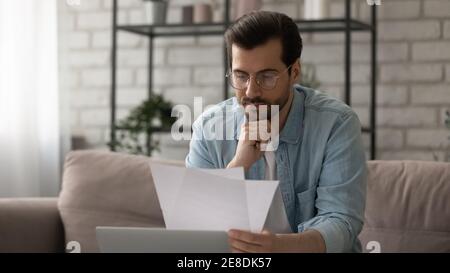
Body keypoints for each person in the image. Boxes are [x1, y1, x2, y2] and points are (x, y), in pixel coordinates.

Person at [185, 10, 367, 253]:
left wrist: (280, 247)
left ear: (294, 72)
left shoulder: (336, 124)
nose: (251, 91)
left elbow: (342, 222)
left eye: (267, 76)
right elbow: (195, 224)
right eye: (241, 76)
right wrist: (238, 165)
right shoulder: (209, 129)